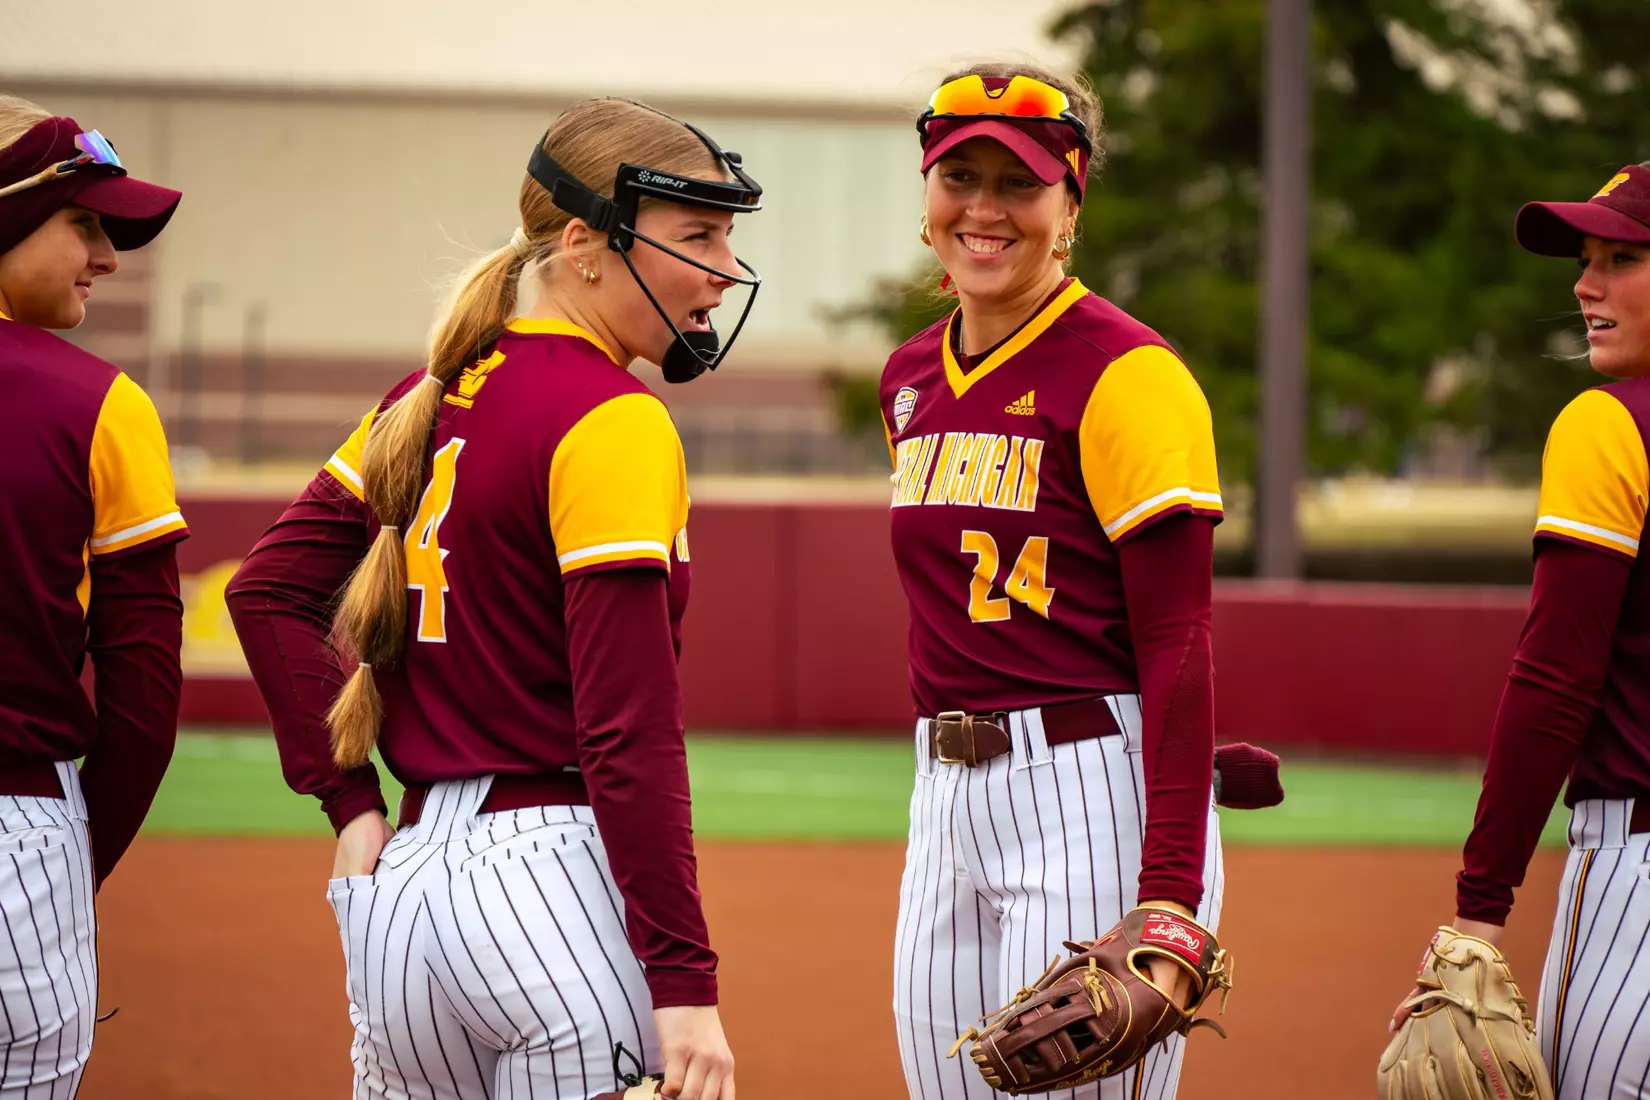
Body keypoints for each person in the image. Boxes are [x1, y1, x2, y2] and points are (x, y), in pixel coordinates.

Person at [225, 97, 761, 1100]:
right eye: (700, 235)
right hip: (548, 882)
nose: (725, 269)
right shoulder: (611, 416)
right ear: (584, 244)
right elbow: (627, 730)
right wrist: (684, 982)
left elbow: (267, 592)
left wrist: (347, 803)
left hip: (403, 895)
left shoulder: (422, 393)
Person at [883, 64, 1226, 1099]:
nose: (983, 209)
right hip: (942, 790)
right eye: (960, 176)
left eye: (1019, 184)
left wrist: (1168, 892)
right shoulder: (908, 378)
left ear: (1071, 203)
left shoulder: (1131, 373)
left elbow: (1178, 637)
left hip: (1086, 790)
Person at [1389, 163, 1650, 1098]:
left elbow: (1555, 677)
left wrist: (1479, 911)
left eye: (1623, 258)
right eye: (1587, 259)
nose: (1586, 285)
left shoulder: (1609, 426)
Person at [0, 95, 186, 1095]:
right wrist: (74, 863)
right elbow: (146, 701)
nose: (108, 256)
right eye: (83, 222)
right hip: (16, 834)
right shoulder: (99, 403)